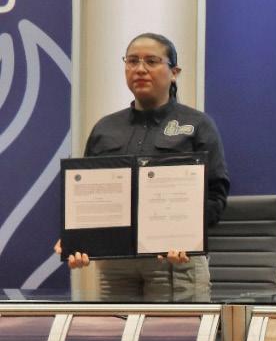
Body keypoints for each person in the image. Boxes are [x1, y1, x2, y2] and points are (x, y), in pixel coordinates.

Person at [57, 32, 230, 299]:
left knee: (174, 329)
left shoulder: (197, 125)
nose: (140, 69)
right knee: (116, 328)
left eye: (151, 61)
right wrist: (77, 240)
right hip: (116, 266)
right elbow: (86, 195)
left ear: (174, 72)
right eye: (132, 61)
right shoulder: (105, 128)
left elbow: (216, 194)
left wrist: (187, 235)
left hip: (174, 262)